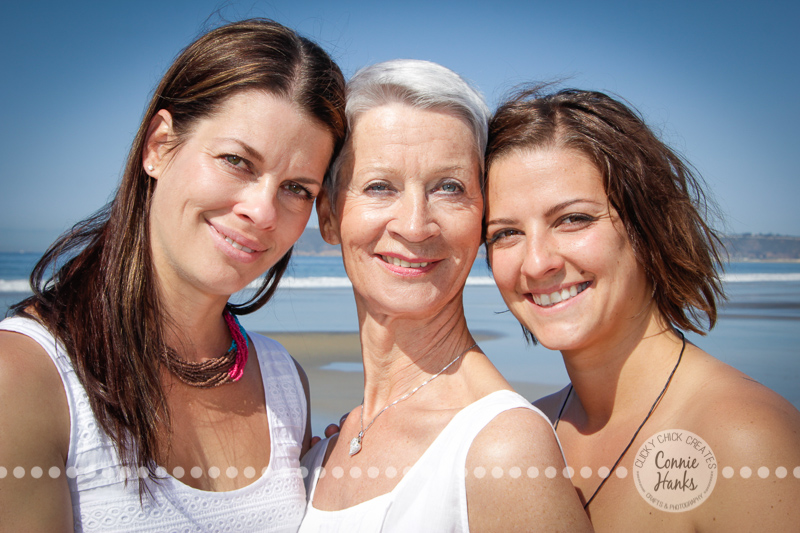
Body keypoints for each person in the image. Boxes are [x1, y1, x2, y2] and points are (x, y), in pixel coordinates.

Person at [0, 19, 345, 532]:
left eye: (297, 188)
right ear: (159, 146)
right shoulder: (29, 378)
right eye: (236, 161)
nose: (262, 210)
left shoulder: (284, 382)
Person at [483, 86, 800, 531]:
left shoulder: (742, 439)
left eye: (573, 219)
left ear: (647, 225)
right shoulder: (529, 432)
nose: (537, 263)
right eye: (505, 233)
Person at [298, 60, 591, 532]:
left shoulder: (502, 449)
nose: (415, 224)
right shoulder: (323, 448)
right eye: (380, 186)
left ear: (480, 220)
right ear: (329, 217)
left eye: (449, 188)